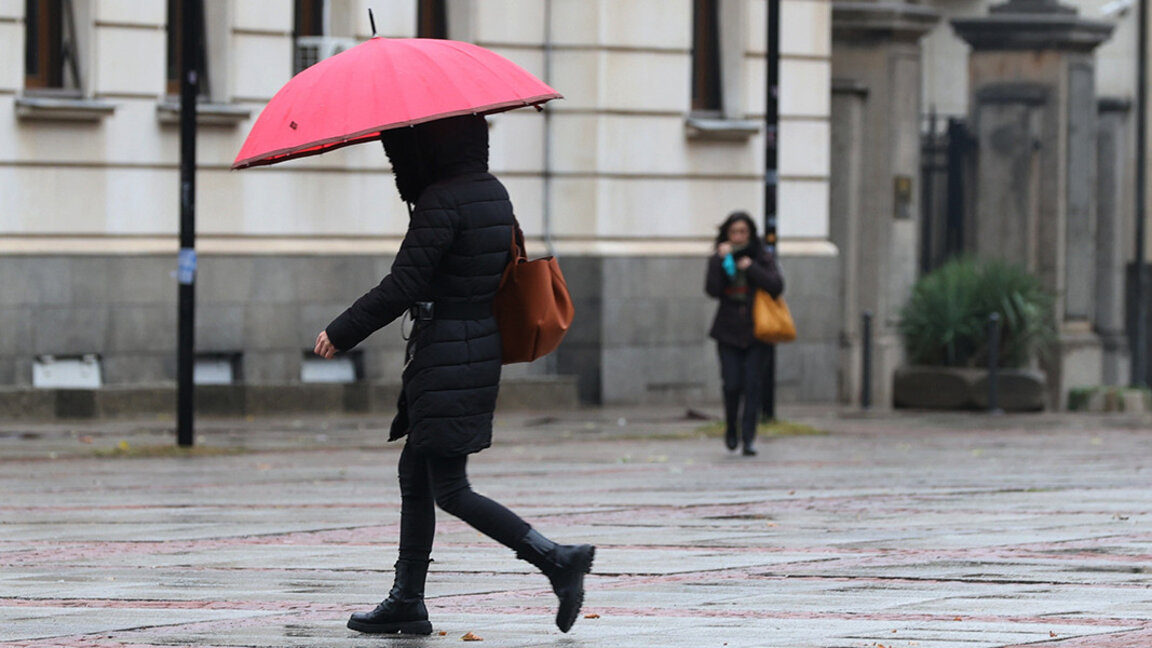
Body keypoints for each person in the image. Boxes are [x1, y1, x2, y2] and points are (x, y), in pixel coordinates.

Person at [312, 114, 595, 635]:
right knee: (415, 472)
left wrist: (343, 329)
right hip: (475, 345)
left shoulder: (442, 201)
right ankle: (407, 600)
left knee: (450, 487)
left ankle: (557, 559)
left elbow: (403, 284)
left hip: (446, 350)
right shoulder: (492, 192)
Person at [704, 211, 784, 456]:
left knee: (752, 385)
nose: (738, 237)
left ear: (750, 234)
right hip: (728, 330)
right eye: (734, 232)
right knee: (731, 384)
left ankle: (748, 437)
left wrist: (751, 268)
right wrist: (720, 262)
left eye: (743, 232)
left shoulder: (762, 256)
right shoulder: (719, 257)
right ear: (727, 234)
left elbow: (776, 285)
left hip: (757, 331)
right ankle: (731, 427)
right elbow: (712, 290)